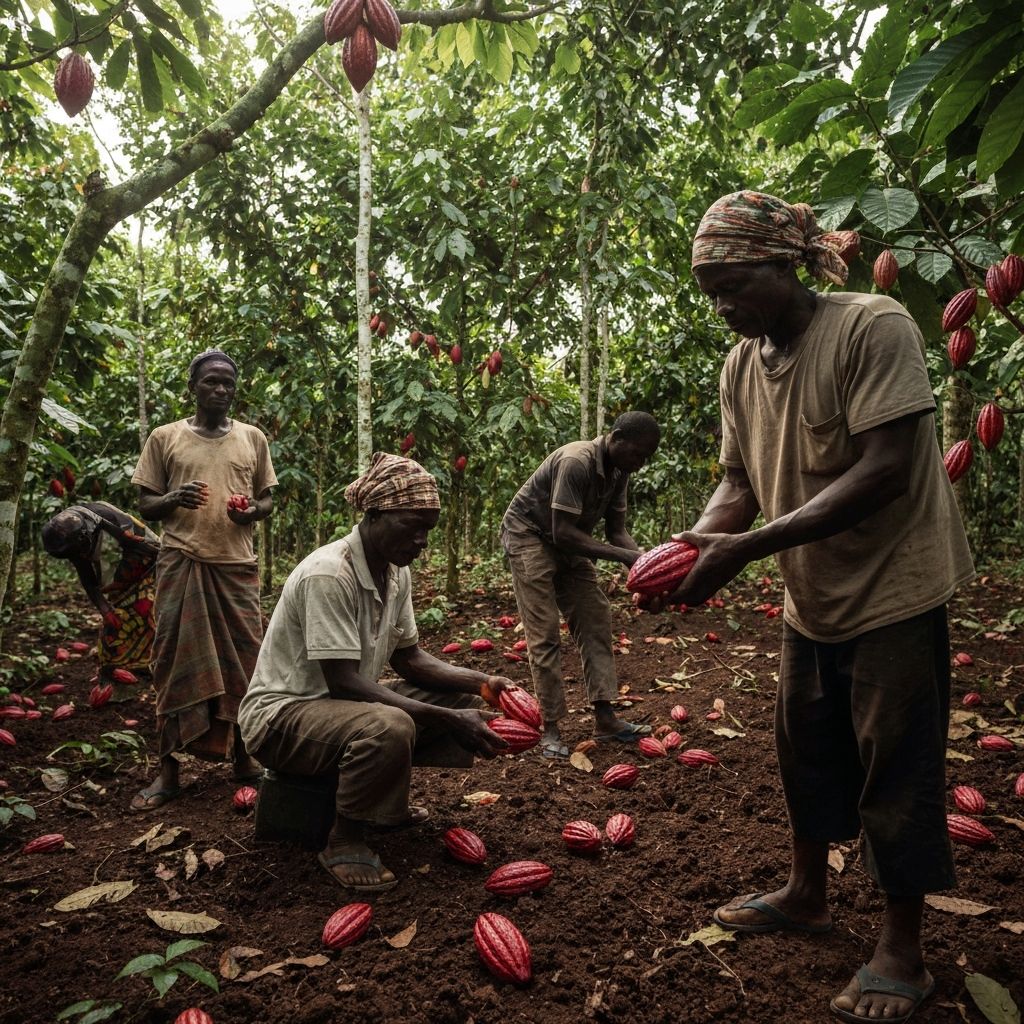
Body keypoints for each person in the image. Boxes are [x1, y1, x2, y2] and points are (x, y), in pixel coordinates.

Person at [647, 191, 974, 1024]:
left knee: (895, 766)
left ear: (786, 264)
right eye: (708, 290)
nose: (721, 306)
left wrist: (745, 551)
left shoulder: (873, 326)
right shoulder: (739, 366)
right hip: (812, 594)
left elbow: (886, 469)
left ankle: (904, 950)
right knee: (805, 753)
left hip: (895, 585)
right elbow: (738, 483)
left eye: (733, 284)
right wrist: (690, 551)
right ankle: (806, 894)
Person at [238, 452, 515, 892]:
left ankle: (385, 809)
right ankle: (344, 840)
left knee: (457, 701)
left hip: (336, 710)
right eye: (413, 525)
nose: (422, 540)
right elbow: (343, 681)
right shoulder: (329, 573)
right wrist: (444, 720)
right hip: (283, 716)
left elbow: (411, 660)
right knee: (390, 726)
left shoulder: (393, 572)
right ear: (375, 514)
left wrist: (482, 685)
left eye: (429, 529)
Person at [129, 349, 277, 811]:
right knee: (173, 662)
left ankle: (244, 758)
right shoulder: (165, 437)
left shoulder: (252, 438)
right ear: (193, 386)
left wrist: (253, 510)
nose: (221, 390)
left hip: (236, 568)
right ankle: (168, 770)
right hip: (182, 562)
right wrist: (175, 497)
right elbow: (145, 505)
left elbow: (267, 500)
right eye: (212, 382)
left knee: (245, 663)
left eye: (228, 383)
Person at [500, 411, 661, 759]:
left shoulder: (620, 471)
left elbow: (616, 531)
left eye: (647, 457)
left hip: (570, 541)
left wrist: (648, 564)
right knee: (544, 633)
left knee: (595, 616)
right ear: (616, 438)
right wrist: (622, 556)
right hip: (530, 534)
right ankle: (551, 729)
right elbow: (562, 532)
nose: (641, 463)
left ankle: (605, 719)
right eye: (637, 454)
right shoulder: (577, 460)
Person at [41, 501, 160, 688]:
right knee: (116, 625)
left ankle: (158, 665)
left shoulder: (104, 518)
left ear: (84, 538)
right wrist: (104, 609)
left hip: (148, 563)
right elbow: (86, 575)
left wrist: (169, 561)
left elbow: (142, 546)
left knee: (149, 611)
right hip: (120, 579)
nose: (78, 556)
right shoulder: (68, 537)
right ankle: (126, 669)